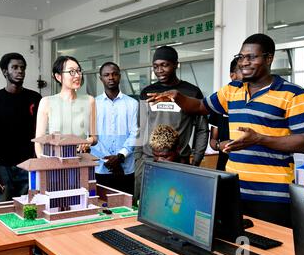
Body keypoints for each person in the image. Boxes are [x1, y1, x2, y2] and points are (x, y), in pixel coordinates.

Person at [147, 33, 304, 227]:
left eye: (251, 57)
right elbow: (201, 106)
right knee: (233, 247)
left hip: (273, 195)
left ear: (269, 59)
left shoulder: (293, 93)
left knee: (270, 251)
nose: (244, 62)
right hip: (234, 189)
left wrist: (260, 139)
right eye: (241, 57)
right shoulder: (232, 90)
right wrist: (178, 97)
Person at [134, 45, 209, 202]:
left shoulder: (191, 92)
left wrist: (196, 160)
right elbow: (140, 127)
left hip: (180, 161)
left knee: (177, 204)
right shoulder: (147, 92)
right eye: (155, 66)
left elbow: (202, 129)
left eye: (164, 65)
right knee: (148, 202)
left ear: (176, 64)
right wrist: (138, 159)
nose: (159, 70)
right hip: (149, 159)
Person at [0, 53, 41, 201]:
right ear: (5, 71)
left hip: (27, 164)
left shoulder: (35, 98)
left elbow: (39, 130)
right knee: (1, 208)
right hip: (2, 165)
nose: (19, 71)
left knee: (28, 207)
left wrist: (37, 157)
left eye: (22, 68)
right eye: (14, 67)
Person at [90, 62, 138, 195]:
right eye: (106, 75)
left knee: (126, 208)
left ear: (120, 76)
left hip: (125, 169)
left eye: (114, 74)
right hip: (100, 168)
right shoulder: (92, 104)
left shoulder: (132, 104)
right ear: (101, 78)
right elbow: (91, 135)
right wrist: (109, 160)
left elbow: (135, 133)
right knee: (100, 208)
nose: (111, 77)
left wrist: (120, 156)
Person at [35, 55, 97, 156]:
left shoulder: (89, 101)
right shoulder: (46, 102)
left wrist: (88, 141)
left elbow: (94, 137)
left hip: (79, 160)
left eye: (79, 71)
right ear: (58, 77)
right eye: (72, 72)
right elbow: (39, 141)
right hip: (54, 160)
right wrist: (44, 165)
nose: (77, 75)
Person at [209, 58, 243, 170]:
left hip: (252, 169)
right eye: (243, 70)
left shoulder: (259, 102)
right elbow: (213, 141)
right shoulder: (221, 102)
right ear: (232, 76)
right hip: (225, 167)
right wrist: (220, 146)